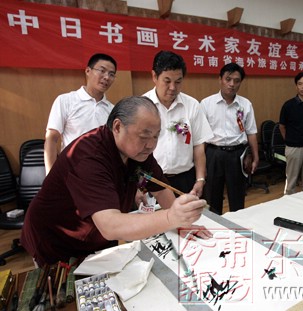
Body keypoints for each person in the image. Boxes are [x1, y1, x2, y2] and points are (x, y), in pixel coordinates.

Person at [21, 96, 209, 266]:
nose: (151, 145)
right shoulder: (88, 157)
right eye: (144, 136)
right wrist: (171, 217)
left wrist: (182, 224)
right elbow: (110, 226)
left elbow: (160, 189)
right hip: (58, 239)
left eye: (156, 136)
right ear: (117, 127)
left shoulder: (138, 152)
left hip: (97, 237)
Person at [143, 51, 213, 198]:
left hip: (185, 179)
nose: (173, 87)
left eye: (178, 81)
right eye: (167, 81)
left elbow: (199, 145)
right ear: (154, 76)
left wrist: (200, 179)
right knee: (157, 221)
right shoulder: (141, 106)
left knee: (189, 220)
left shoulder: (192, 105)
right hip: (153, 179)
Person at [201, 63, 259, 215]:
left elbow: (251, 132)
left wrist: (256, 157)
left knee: (237, 196)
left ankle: (238, 228)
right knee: (212, 196)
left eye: (236, 80)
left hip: (237, 155)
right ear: (220, 79)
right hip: (213, 154)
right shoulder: (206, 104)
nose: (232, 84)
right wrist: (200, 164)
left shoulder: (245, 104)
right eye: (228, 79)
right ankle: (215, 228)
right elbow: (202, 138)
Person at [44, 53, 117, 175]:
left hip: (101, 175)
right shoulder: (66, 100)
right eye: (102, 71)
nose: (106, 77)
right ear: (88, 71)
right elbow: (51, 138)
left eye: (111, 74)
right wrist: (50, 176)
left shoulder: (113, 110)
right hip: (72, 173)